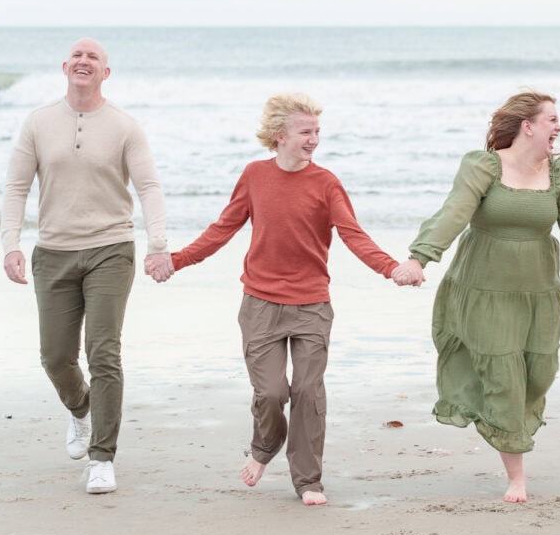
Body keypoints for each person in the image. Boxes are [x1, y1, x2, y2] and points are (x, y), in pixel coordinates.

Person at [391, 91, 560, 503]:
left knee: (539, 374)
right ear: (528, 126)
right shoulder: (484, 166)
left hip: (538, 292)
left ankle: (501, 423)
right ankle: (517, 476)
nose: (559, 128)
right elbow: (453, 213)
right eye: (552, 120)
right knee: (504, 377)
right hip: (484, 289)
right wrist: (420, 258)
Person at [166, 93, 410, 506]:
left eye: (317, 131)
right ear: (280, 137)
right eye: (306, 132)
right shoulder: (254, 176)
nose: (314, 140)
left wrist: (391, 268)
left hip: (312, 304)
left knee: (309, 393)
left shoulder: (326, 183)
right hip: (260, 303)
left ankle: (308, 481)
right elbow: (222, 229)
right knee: (272, 392)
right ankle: (264, 448)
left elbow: (353, 234)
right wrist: (177, 260)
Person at [2, 37, 174, 496]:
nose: (83, 61)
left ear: (105, 73)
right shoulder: (38, 122)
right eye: (77, 55)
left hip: (110, 249)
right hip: (53, 251)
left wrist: (158, 243)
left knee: (104, 351)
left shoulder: (125, 126)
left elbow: (149, 187)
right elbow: (17, 188)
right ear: (64, 67)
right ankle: (79, 409)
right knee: (56, 357)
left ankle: (103, 458)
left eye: (93, 57)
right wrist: (11, 244)